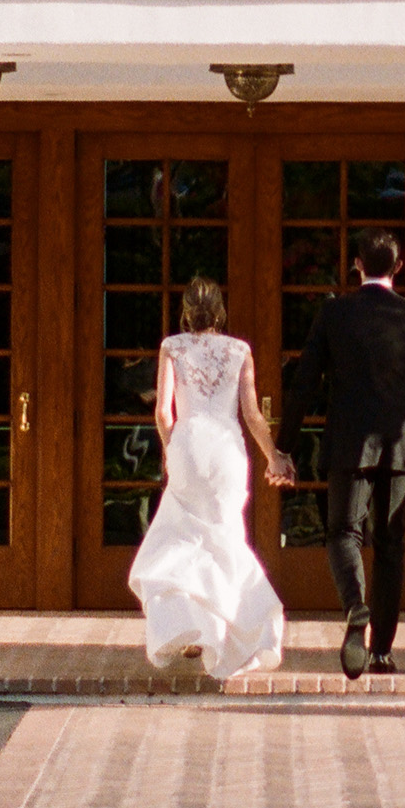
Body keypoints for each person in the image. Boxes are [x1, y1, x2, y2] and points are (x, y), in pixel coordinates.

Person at [270, 231, 405, 682]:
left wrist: (283, 446)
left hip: (348, 444)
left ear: (356, 265)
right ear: (398, 267)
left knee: (342, 533)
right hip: (403, 449)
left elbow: (304, 383)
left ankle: (355, 608)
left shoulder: (335, 314)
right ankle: (383, 651)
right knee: (391, 546)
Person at [128, 275, 285, 681]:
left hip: (188, 445)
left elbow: (163, 412)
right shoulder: (239, 350)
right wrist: (273, 456)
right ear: (219, 311)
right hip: (226, 451)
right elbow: (252, 414)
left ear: (185, 310)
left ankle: (194, 627)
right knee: (224, 538)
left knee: (182, 539)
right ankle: (228, 628)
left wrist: (168, 448)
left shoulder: (172, 347)